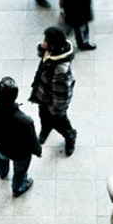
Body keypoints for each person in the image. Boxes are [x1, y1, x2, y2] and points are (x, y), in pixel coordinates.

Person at [0, 77, 43, 197]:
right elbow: (32, 141)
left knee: (1, 159)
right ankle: (18, 188)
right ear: (16, 96)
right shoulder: (25, 121)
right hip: (20, 154)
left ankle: (2, 173)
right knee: (20, 172)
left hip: (0, 146)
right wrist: (38, 151)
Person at [29, 26, 78, 156]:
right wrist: (42, 48)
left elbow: (62, 95)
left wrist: (55, 110)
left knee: (60, 123)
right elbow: (44, 56)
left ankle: (70, 136)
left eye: (46, 41)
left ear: (53, 46)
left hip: (54, 104)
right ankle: (46, 128)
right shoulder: (53, 51)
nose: (43, 43)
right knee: (43, 116)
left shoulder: (61, 70)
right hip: (44, 96)